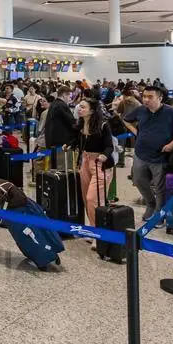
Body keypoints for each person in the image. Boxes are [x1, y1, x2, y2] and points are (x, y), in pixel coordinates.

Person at [122, 86, 173, 221]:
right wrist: (136, 132)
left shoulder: (172, 112)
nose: (146, 100)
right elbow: (126, 120)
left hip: (160, 156)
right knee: (138, 180)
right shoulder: (141, 110)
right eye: (144, 96)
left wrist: (172, 144)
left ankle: (159, 213)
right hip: (141, 153)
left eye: (150, 97)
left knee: (160, 187)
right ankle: (151, 203)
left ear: (160, 98)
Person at [76, 98, 114, 250]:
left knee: (94, 199)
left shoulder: (103, 125)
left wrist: (104, 155)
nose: (79, 109)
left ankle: (100, 234)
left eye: (83, 107)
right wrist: (69, 145)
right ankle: (93, 229)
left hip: (100, 163)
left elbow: (109, 146)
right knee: (86, 198)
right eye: (79, 106)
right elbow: (78, 141)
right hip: (85, 162)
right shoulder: (80, 124)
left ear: (91, 110)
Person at [45, 86, 78, 170]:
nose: (70, 99)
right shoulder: (62, 105)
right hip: (62, 142)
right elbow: (71, 122)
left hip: (53, 141)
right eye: (69, 96)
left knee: (55, 167)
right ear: (64, 95)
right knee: (63, 168)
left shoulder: (54, 104)